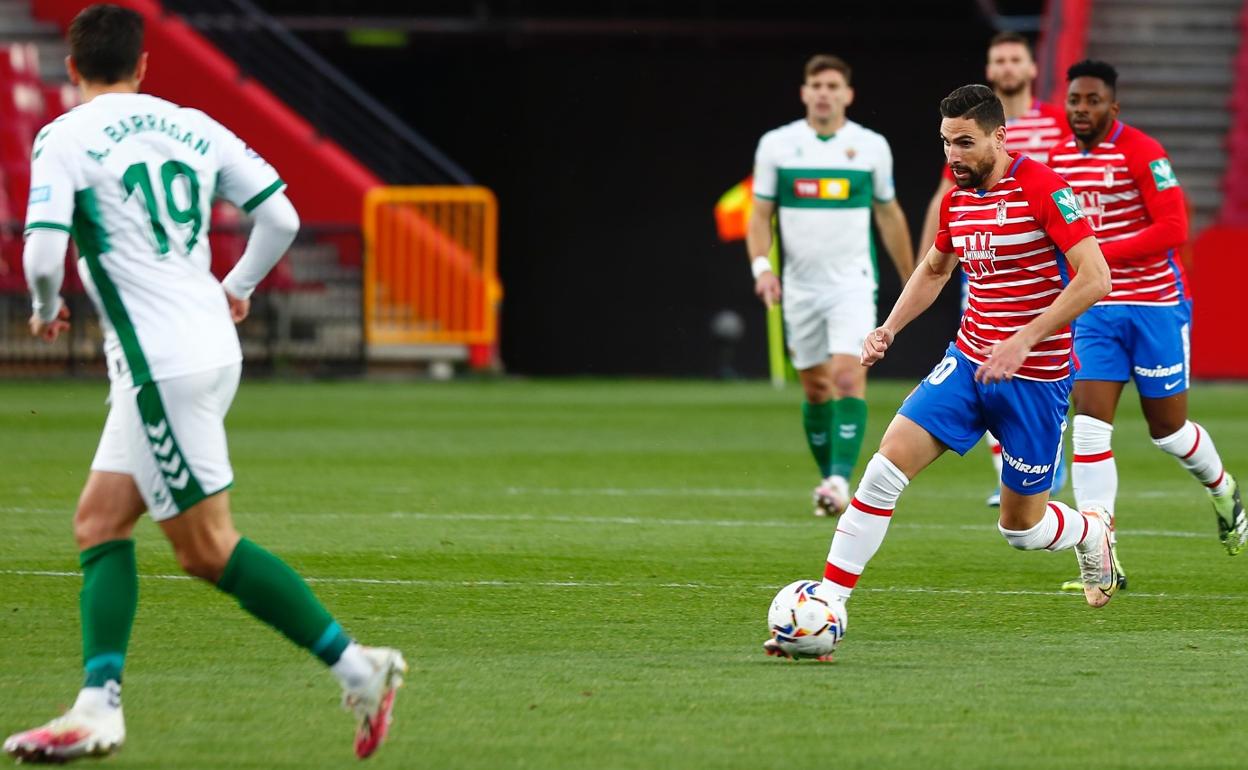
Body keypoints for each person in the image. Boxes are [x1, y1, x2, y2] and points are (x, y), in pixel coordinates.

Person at [3, 5, 405, 762]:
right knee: (99, 522)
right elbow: (281, 217)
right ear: (144, 66)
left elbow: (42, 257)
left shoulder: (64, 137)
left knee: (206, 549)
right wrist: (238, 284)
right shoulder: (192, 123)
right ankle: (96, 703)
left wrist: (46, 309)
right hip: (199, 348)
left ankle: (359, 667)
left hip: (163, 364)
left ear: (71, 69)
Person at [765, 84, 1119, 659]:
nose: (953, 155)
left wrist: (1024, 341)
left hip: (1035, 380)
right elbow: (934, 270)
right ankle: (827, 606)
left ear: (999, 137)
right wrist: (889, 328)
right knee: (882, 472)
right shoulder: (958, 198)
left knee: (1021, 530)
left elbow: (1095, 278)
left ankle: (1091, 531)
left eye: (965, 142)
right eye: (946, 142)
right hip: (966, 362)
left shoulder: (1046, 189)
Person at [1049, 60, 1246, 592]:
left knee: (1169, 432)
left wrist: (1097, 253)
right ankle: (1100, 554)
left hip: (1155, 307)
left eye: (1092, 101)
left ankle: (1224, 488)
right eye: (1074, 101)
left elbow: (1174, 227)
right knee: (1089, 426)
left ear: (1112, 107)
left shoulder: (1143, 152)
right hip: (1095, 309)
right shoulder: (1059, 158)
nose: (1081, 110)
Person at [748, 54, 914, 518]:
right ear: (804, 93)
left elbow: (888, 213)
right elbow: (759, 215)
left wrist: (909, 275)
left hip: (852, 283)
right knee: (817, 389)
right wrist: (763, 266)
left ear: (848, 94)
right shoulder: (778, 146)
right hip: (799, 287)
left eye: (833, 86)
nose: (824, 93)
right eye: (816, 85)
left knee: (846, 376)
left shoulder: (870, 147)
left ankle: (840, 481)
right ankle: (830, 479)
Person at [917, 32, 1069, 508]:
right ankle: (1006, 468)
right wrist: (925, 261)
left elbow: (1071, 185)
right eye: (997, 59)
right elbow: (948, 200)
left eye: (1014, 59)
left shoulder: (1056, 126)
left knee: (1045, 361)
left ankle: (1042, 448)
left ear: (1029, 69)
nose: (1006, 67)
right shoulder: (964, 138)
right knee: (984, 355)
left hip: (1044, 260)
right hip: (985, 257)